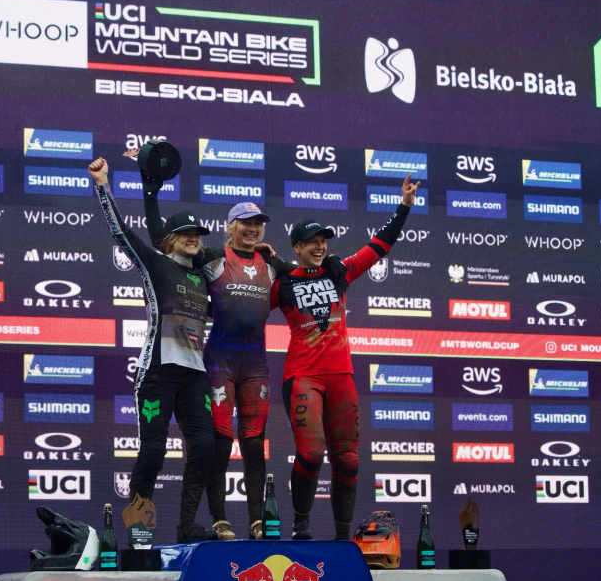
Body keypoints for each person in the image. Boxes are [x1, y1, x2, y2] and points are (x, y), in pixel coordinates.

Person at [128, 149, 286, 540]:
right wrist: (151, 192)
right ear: (230, 228)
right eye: (245, 223)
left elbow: (304, 278)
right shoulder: (211, 256)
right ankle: (215, 519)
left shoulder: (271, 263)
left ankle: (251, 521)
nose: (253, 229)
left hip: (252, 365)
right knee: (213, 444)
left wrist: (326, 268)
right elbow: (161, 242)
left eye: (258, 224)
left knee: (249, 444)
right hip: (214, 362)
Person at [272, 174, 421, 540]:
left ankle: (341, 538)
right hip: (303, 376)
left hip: (341, 376)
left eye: (323, 241)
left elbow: (379, 246)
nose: (319, 247)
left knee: (348, 459)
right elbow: (241, 308)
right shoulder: (282, 281)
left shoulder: (340, 271)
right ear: (297, 247)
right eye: (311, 243)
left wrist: (403, 206)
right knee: (310, 454)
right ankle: (301, 526)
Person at [88, 156, 217, 543]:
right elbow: (122, 233)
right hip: (158, 371)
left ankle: (187, 525)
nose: (194, 237)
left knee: (206, 446)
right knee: (154, 450)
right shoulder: (157, 265)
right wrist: (102, 185)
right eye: (185, 233)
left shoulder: (204, 276)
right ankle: (138, 527)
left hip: (195, 374)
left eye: (197, 233)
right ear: (170, 239)